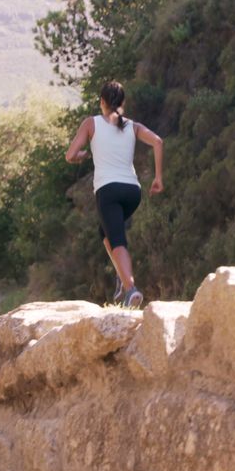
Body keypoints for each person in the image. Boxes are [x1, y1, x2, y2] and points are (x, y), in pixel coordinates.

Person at [65, 81, 164, 308]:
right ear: (123, 103)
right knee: (107, 232)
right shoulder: (133, 126)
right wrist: (158, 178)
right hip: (132, 192)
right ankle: (122, 275)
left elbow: (70, 155)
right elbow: (158, 142)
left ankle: (131, 289)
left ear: (102, 102)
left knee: (117, 239)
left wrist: (81, 155)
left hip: (108, 190)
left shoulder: (91, 123)